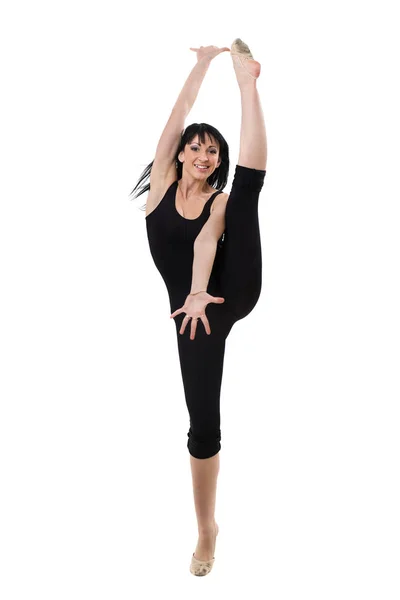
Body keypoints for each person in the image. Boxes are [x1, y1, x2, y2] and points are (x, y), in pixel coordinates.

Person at [130, 39, 267, 576]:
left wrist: (195, 293)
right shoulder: (161, 184)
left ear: (218, 162)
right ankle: (207, 525)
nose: (205, 157)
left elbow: (209, 242)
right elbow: (177, 115)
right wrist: (201, 63)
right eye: (197, 148)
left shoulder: (219, 200)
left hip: (228, 288)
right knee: (201, 418)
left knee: (248, 197)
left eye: (215, 152)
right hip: (191, 308)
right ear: (181, 153)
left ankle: (249, 85)